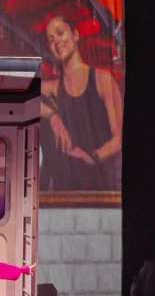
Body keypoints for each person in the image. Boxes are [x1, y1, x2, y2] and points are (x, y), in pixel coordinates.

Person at [39, 14, 123, 192]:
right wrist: (51, 115)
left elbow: (119, 138)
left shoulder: (102, 79)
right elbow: (16, 93)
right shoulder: (53, 87)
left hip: (99, 187)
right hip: (65, 189)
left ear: (75, 35)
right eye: (51, 39)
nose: (56, 42)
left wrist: (92, 157)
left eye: (60, 33)